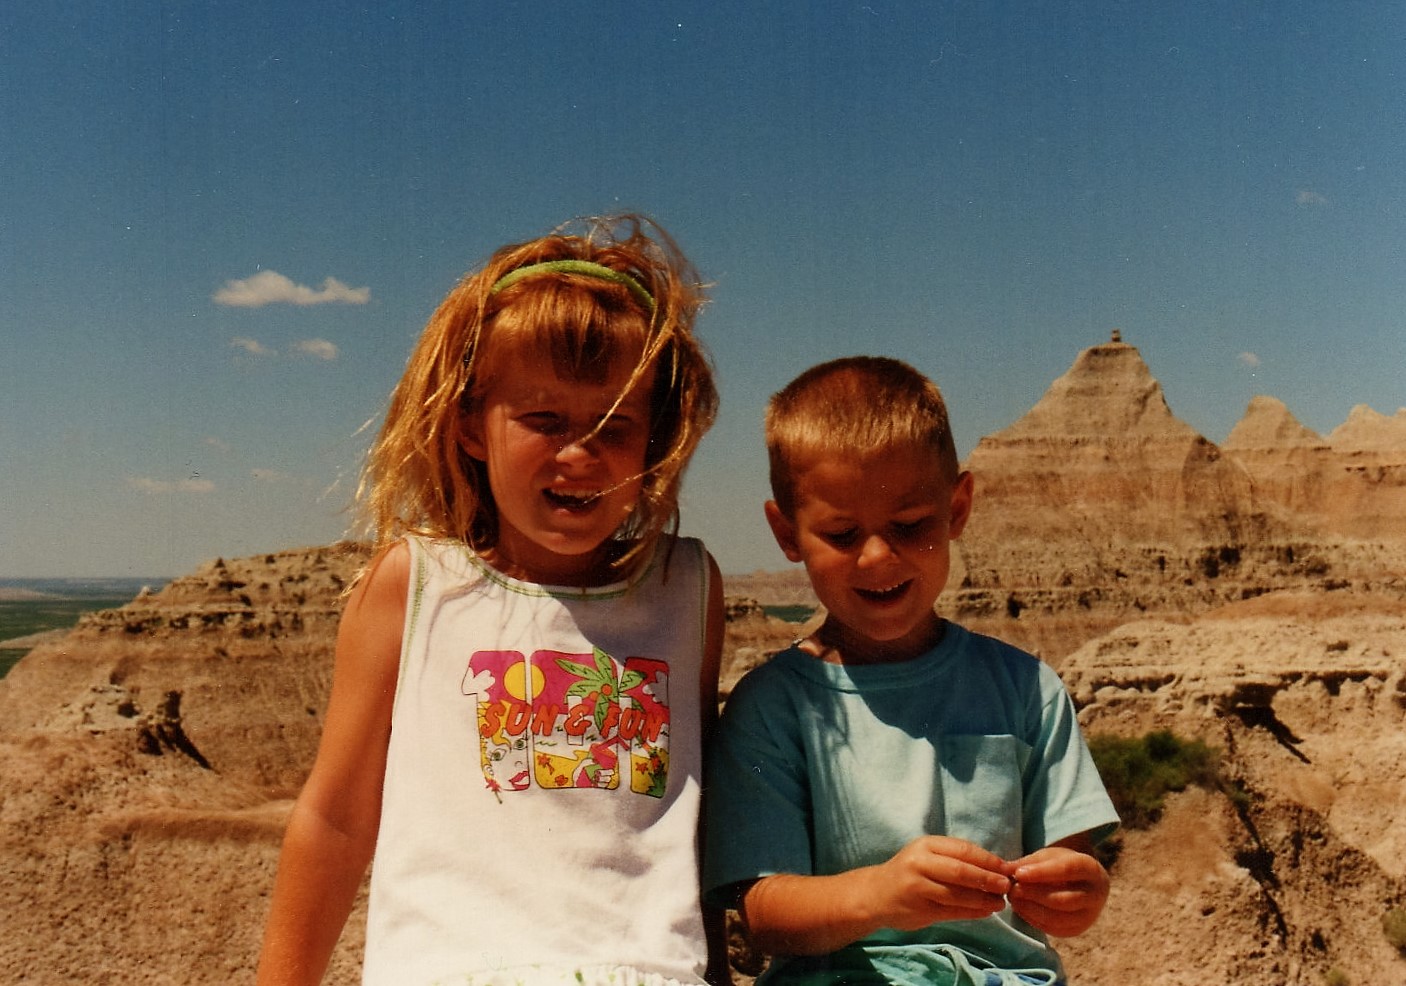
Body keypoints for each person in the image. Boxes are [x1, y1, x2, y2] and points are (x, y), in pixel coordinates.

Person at [256, 215, 725, 986]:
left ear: (655, 441)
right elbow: (335, 819)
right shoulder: (415, 584)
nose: (579, 454)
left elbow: (690, 814)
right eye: (543, 420)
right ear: (473, 425)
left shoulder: (685, 589)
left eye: (615, 425)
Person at [702, 356, 1118, 986]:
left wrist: (1076, 894)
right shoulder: (774, 708)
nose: (877, 557)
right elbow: (766, 915)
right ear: (787, 534)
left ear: (958, 509)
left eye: (909, 526)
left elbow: (1070, 867)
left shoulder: (1028, 691)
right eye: (842, 534)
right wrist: (882, 895)